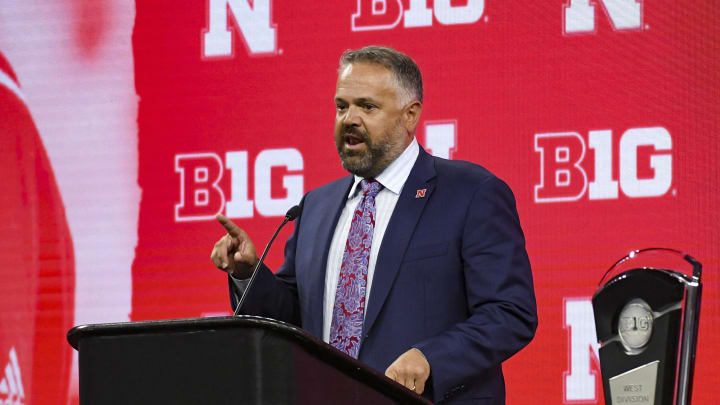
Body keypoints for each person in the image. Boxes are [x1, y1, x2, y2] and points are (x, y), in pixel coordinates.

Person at [210, 46, 537, 404]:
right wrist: (248, 274)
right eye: (341, 106)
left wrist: (431, 358)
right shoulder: (315, 207)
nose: (349, 119)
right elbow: (292, 320)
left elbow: (510, 313)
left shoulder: (471, 193)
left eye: (367, 107)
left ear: (410, 115)